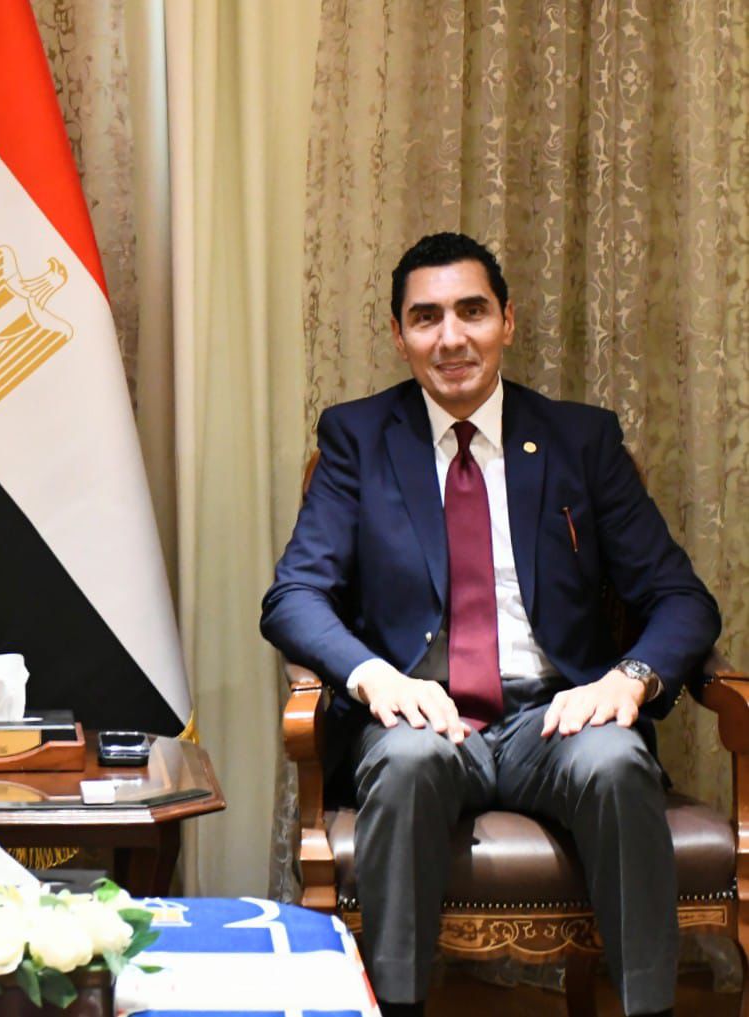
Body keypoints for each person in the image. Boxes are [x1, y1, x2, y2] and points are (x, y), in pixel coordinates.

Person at [260, 232, 719, 1017]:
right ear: (398, 334)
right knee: (405, 760)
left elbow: (682, 598)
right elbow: (294, 594)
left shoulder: (581, 440)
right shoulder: (358, 438)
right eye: (426, 317)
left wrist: (629, 678)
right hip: (425, 712)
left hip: (557, 715)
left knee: (615, 760)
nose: (451, 337)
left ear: (508, 320)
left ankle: (650, 1009)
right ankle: (395, 1006)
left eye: (471, 311)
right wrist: (375, 677)